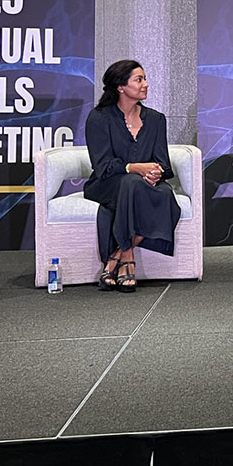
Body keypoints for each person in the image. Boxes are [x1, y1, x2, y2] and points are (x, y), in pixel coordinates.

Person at [84, 60, 181, 293]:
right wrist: (136, 167)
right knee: (131, 182)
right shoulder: (99, 118)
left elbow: (164, 164)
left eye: (145, 78)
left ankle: (116, 256)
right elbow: (103, 166)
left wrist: (155, 172)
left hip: (144, 184)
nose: (145, 84)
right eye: (139, 79)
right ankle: (128, 258)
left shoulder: (156, 119)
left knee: (166, 192)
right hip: (105, 184)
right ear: (120, 86)